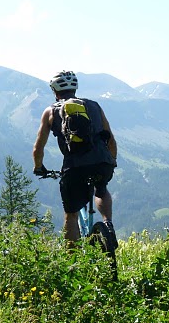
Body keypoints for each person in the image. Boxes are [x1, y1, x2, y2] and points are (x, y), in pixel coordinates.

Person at [32, 70, 118, 248]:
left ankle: (74, 263)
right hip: (103, 162)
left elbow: (38, 147)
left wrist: (38, 166)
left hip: (75, 166)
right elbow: (110, 138)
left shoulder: (50, 111)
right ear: (75, 88)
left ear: (54, 90)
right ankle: (108, 224)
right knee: (101, 190)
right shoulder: (94, 106)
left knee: (70, 214)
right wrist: (112, 161)